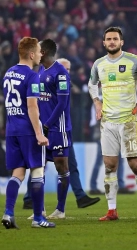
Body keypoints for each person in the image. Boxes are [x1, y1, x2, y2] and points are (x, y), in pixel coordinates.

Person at [88, 26, 137, 221]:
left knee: (135, 165)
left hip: (128, 121)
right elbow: (91, 84)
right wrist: (97, 102)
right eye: (108, 39)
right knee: (109, 165)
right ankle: (112, 210)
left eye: (115, 39)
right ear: (104, 43)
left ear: (121, 42)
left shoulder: (134, 61)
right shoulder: (98, 64)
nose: (112, 42)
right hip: (107, 123)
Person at [23, 58, 100, 216]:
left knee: (68, 166)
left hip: (62, 132)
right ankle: (31, 200)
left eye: (69, 69)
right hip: (47, 130)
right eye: (65, 68)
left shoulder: (65, 85)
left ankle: (74, 200)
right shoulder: (45, 80)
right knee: (40, 167)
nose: (66, 72)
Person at [1, 37, 55, 228]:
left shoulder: (8, 73)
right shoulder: (32, 76)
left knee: (17, 173)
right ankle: (39, 218)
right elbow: (32, 107)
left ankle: (8, 214)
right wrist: (39, 133)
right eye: (39, 51)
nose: (41, 54)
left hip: (12, 130)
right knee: (38, 171)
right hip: (28, 131)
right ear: (31, 54)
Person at [37, 39, 72, 220]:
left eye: (36, 48)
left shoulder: (60, 73)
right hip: (42, 128)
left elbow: (62, 103)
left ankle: (60, 209)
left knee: (61, 166)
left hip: (58, 128)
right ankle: (39, 210)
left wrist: (47, 124)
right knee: (38, 167)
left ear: (42, 51)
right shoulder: (40, 70)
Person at [89, 97, 135, 195]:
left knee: (116, 160)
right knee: (102, 160)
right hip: (103, 133)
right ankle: (94, 186)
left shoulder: (100, 99)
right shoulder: (102, 100)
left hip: (113, 132)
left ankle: (119, 185)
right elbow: (97, 119)